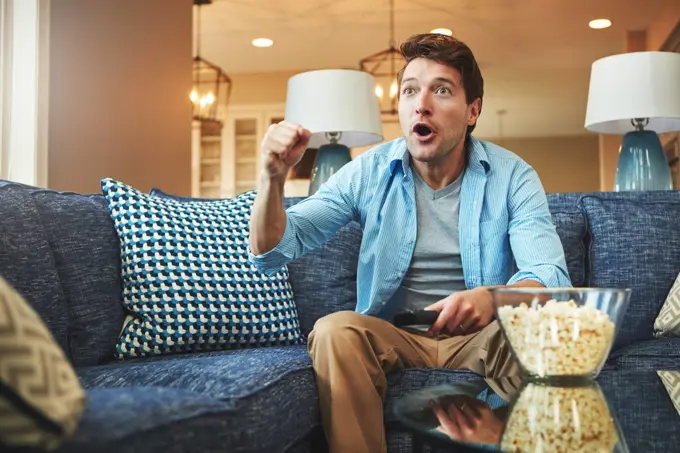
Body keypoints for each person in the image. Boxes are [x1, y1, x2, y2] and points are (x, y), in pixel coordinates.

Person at [248, 33, 570, 453]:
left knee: (541, 331)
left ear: (473, 111)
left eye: (441, 90)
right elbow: (275, 248)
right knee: (334, 330)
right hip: (395, 333)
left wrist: (492, 299)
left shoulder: (514, 176)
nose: (422, 103)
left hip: (484, 337)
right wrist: (271, 178)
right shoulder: (368, 171)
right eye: (410, 91)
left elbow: (550, 278)